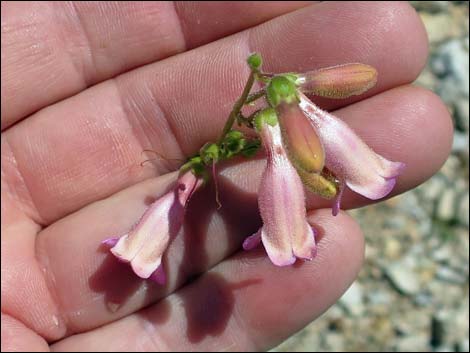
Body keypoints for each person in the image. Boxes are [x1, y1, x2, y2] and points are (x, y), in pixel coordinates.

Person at [1, 2, 453, 351]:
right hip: (274, 140)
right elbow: (309, 160)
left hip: (281, 133)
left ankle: (293, 214)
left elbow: (310, 158)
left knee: (289, 150)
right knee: (287, 153)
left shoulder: (276, 126)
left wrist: (285, 111)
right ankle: (282, 220)